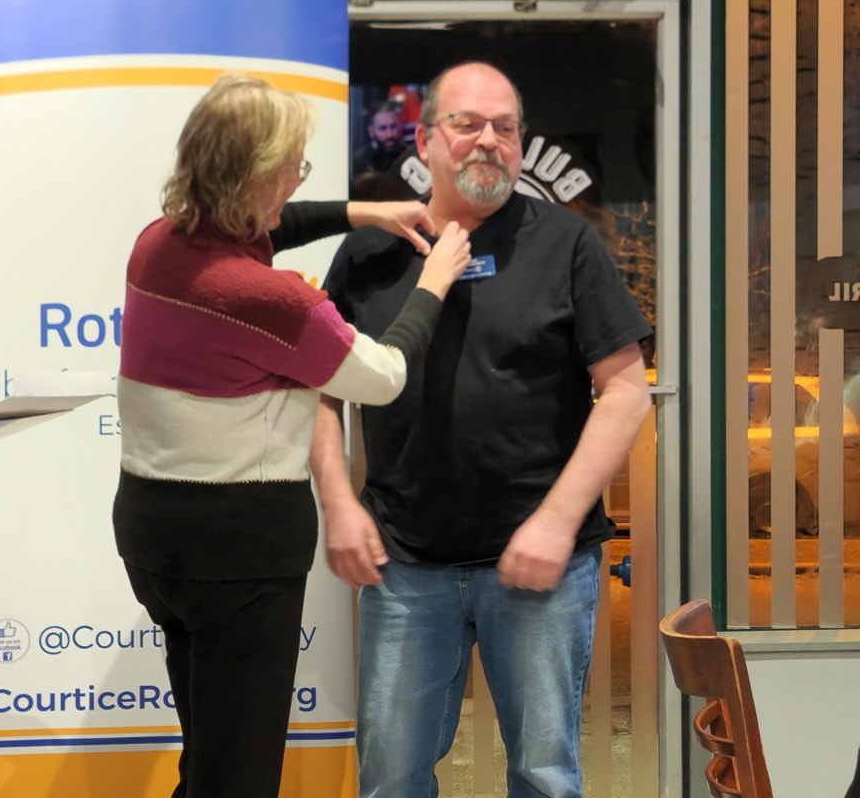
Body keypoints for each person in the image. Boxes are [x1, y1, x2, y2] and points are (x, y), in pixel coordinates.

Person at [112, 72, 471, 798]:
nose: (296, 182)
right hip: (238, 551)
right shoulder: (268, 298)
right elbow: (383, 375)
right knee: (239, 777)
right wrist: (433, 280)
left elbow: (269, 225)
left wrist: (360, 211)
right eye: (292, 168)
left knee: (208, 757)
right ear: (254, 175)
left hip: (154, 535)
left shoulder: (158, 244)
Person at [310, 61, 653, 798]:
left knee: (543, 776)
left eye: (505, 127)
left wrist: (557, 521)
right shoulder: (369, 253)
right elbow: (321, 391)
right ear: (425, 140)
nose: (488, 141)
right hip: (405, 564)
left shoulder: (567, 243)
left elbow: (627, 393)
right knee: (390, 778)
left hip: (542, 566)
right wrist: (337, 503)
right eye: (467, 124)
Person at [351, 100, 404, 179]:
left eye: (393, 126)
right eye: (383, 128)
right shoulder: (359, 161)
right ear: (371, 131)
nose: (389, 134)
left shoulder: (408, 154)